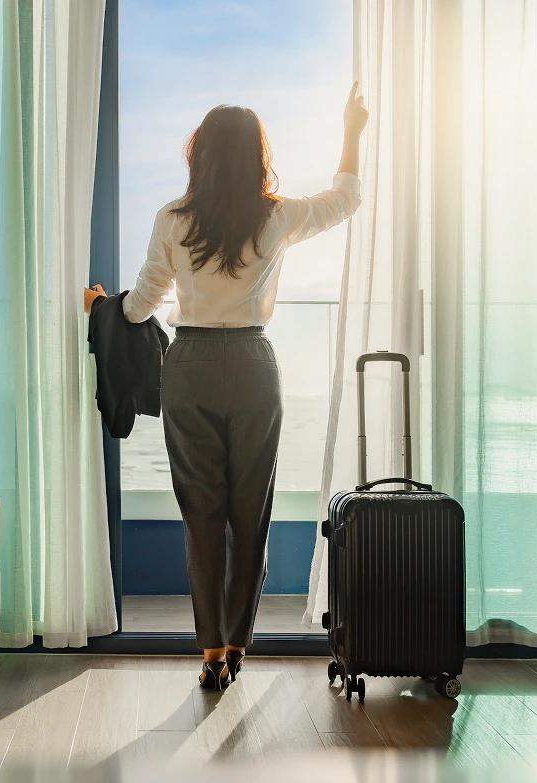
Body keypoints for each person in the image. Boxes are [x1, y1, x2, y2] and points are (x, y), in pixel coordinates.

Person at [86, 82, 369, 690]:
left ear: (200, 155)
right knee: (251, 514)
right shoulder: (277, 216)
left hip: (187, 368)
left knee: (202, 518)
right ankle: (239, 643)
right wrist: (351, 130)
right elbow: (346, 199)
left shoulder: (172, 218)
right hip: (254, 366)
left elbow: (139, 309)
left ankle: (211, 651)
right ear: (256, 157)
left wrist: (102, 306)